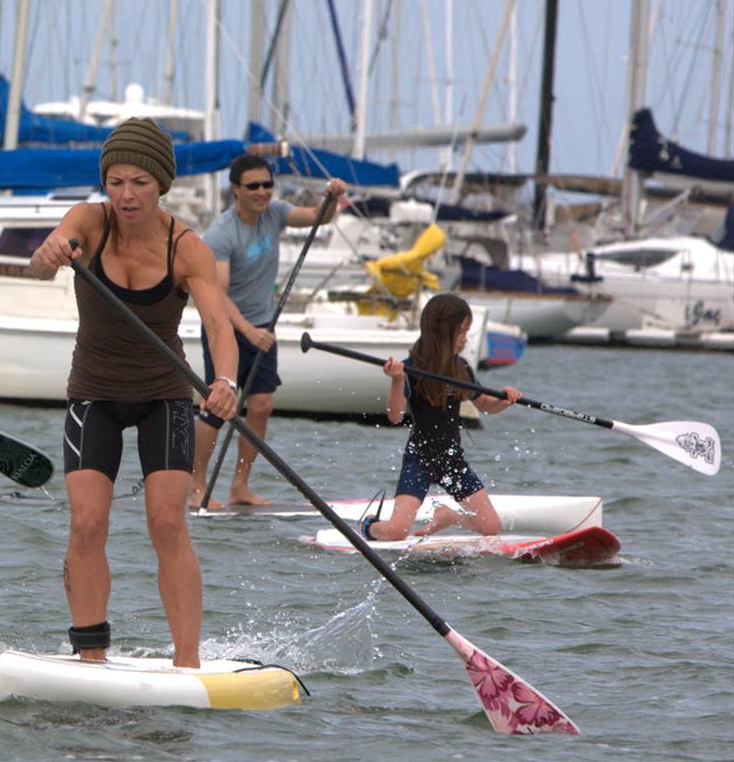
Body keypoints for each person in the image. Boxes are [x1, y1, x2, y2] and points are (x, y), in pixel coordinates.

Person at [27, 117, 241, 668]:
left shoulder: (186, 248)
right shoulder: (89, 221)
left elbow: (219, 326)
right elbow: (40, 269)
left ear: (161, 185)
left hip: (162, 396)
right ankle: (91, 654)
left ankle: (187, 661)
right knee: (87, 524)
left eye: (139, 183)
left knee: (167, 523)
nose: (126, 195)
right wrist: (48, 256)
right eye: (116, 181)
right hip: (93, 394)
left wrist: (225, 381)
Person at [188, 156, 346, 509]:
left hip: (262, 327)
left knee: (261, 405)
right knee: (217, 409)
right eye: (253, 186)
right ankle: (196, 487)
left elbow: (319, 217)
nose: (262, 192)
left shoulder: (274, 213)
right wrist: (247, 331)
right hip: (225, 328)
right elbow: (217, 294)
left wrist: (332, 198)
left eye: (267, 185)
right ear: (235, 190)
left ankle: (239, 486)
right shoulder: (221, 233)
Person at [362, 294, 520, 541]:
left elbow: (484, 405)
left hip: (452, 460)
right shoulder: (411, 368)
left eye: (467, 332)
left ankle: (448, 516)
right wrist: (397, 379)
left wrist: (504, 400)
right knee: (396, 532)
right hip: (420, 460)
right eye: (461, 332)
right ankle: (369, 525)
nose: (465, 339)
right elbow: (395, 415)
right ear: (442, 332)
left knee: (490, 526)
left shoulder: (461, 368)